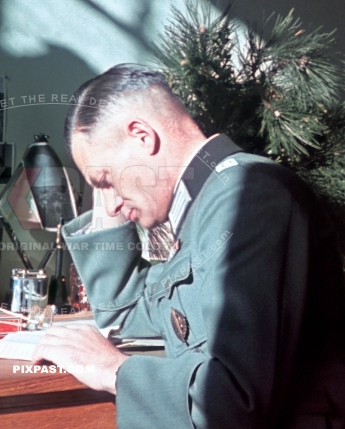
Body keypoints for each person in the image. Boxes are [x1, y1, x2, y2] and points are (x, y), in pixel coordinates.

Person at [32, 64, 345, 428]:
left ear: (142, 136)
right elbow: (125, 310)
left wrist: (114, 370)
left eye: (104, 181)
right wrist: (110, 183)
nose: (110, 204)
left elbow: (231, 400)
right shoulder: (208, 202)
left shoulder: (246, 195)